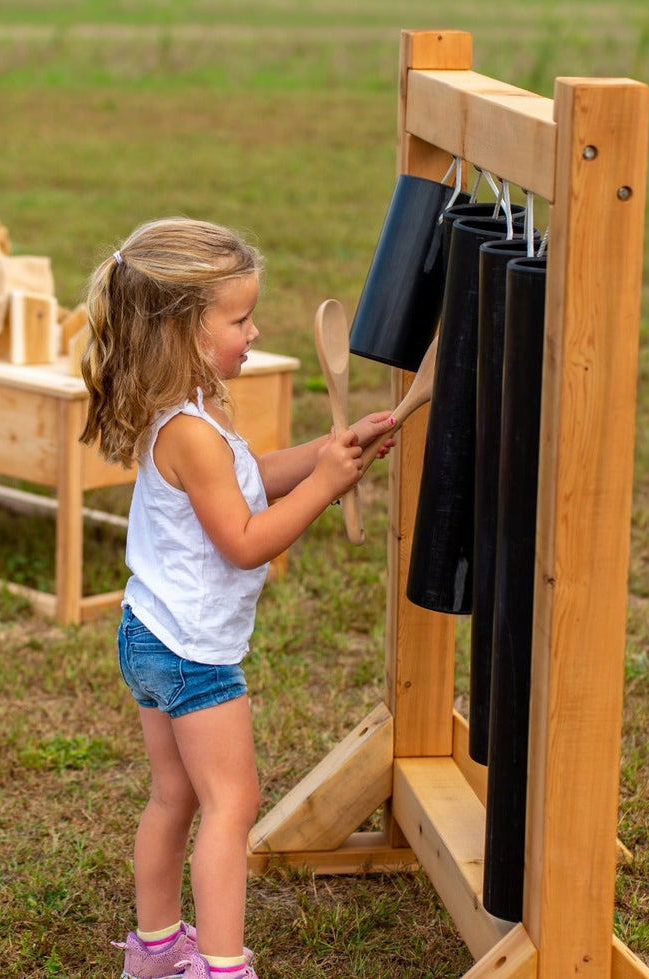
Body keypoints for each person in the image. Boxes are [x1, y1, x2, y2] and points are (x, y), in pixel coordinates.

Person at [80, 217, 395, 979]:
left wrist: (323, 454)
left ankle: (156, 950)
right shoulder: (192, 429)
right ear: (186, 329)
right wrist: (325, 488)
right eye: (240, 317)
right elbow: (246, 539)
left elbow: (247, 479)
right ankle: (222, 968)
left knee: (174, 796)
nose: (255, 331)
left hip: (152, 632)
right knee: (232, 803)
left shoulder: (193, 404)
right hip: (192, 653)